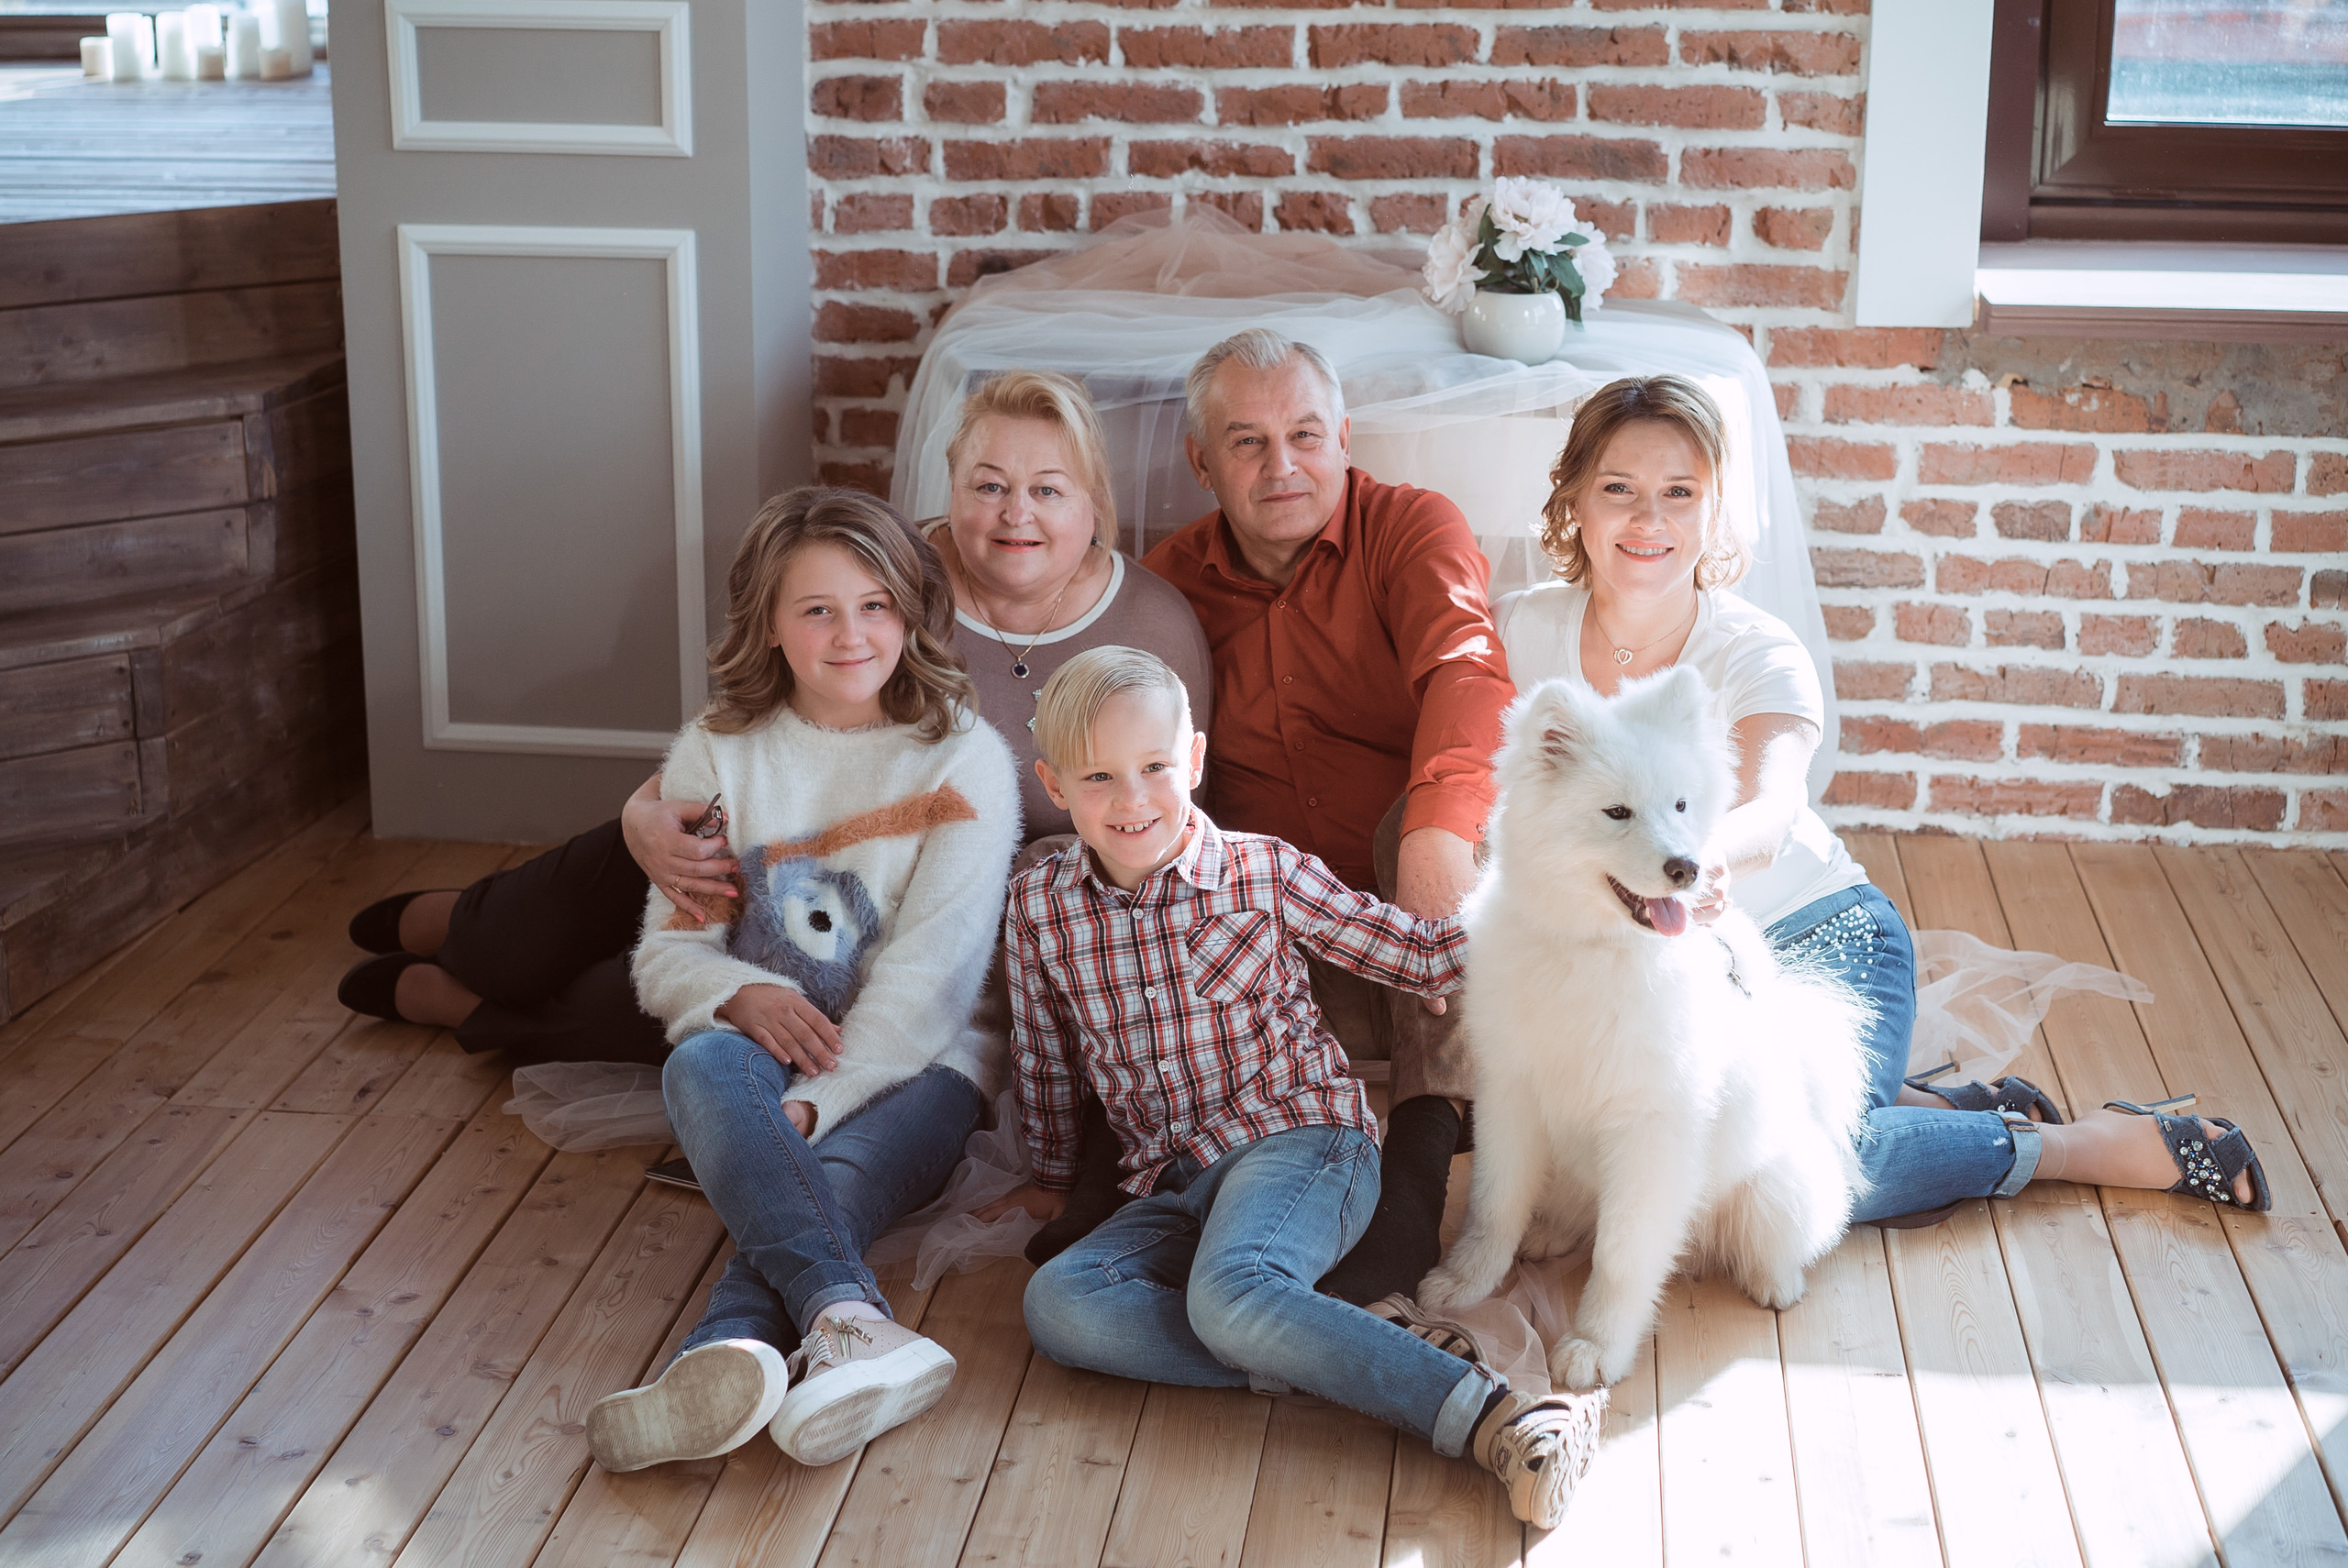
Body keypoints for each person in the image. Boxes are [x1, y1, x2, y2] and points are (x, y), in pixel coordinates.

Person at [1491, 373, 2269, 1222]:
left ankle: (2082, 1147)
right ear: (1573, 500)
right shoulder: (1519, 632)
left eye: (1680, 492)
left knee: (1800, 1171)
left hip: (1818, 933)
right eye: (1619, 490)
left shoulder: (1759, 651)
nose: (1650, 520)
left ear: (1715, 512)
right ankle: (1946, 1106)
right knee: (1619, 1146)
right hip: (1651, 965)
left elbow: (1773, 807)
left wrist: (1704, 860)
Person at [333, 371, 1212, 1077]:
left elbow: (1165, 821)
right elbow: (754, 719)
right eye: (989, 486)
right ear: (949, 488)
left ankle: (465, 1007)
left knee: (642, 1004)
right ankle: (459, 923)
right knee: (523, 936)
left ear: (1093, 499)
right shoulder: (893, 577)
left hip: (888, 899)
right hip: (752, 817)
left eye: (1048, 489)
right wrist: (646, 811)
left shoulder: (1153, 626)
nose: (1016, 513)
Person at [990, 646, 1601, 1529]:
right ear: (1054, 784)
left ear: (1193, 761)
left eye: (1156, 768)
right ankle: (1343, 1347)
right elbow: (1044, 1053)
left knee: (1230, 1292)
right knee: (1061, 1308)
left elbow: (1418, 952)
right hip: (1168, 1179)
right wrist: (1050, 1174)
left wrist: (1565, 910)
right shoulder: (1043, 903)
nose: (1133, 800)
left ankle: (1499, 1415)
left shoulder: (1261, 872)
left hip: (1303, 1143)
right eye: (1100, 777)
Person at [583, 486, 1021, 1474]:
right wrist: (736, 994)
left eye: (874, 604)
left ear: (910, 612)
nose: (851, 633)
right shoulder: (717, 749)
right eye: (816, 609)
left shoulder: (965, 760)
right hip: (760, 1053)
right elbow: (668, 956)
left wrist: (821, 1101)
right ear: (770, 627)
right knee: (697, 1066)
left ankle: (720, 1354)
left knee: (827, 1180)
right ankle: (850, 1323)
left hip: (920, 1065)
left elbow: (929, 986)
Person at [1141, 327, 1515, 1304]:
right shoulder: (1167, 583)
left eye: (1305, 434)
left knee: (1422, 828)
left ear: (1344, 436)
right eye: (1247, 442)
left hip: (1418, 879)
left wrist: (1435, 840)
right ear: (1201, 460)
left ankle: (1421, 1167)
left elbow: (1468, 675)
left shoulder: (1411, 527)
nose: (1283, 466)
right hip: (1290, 909)